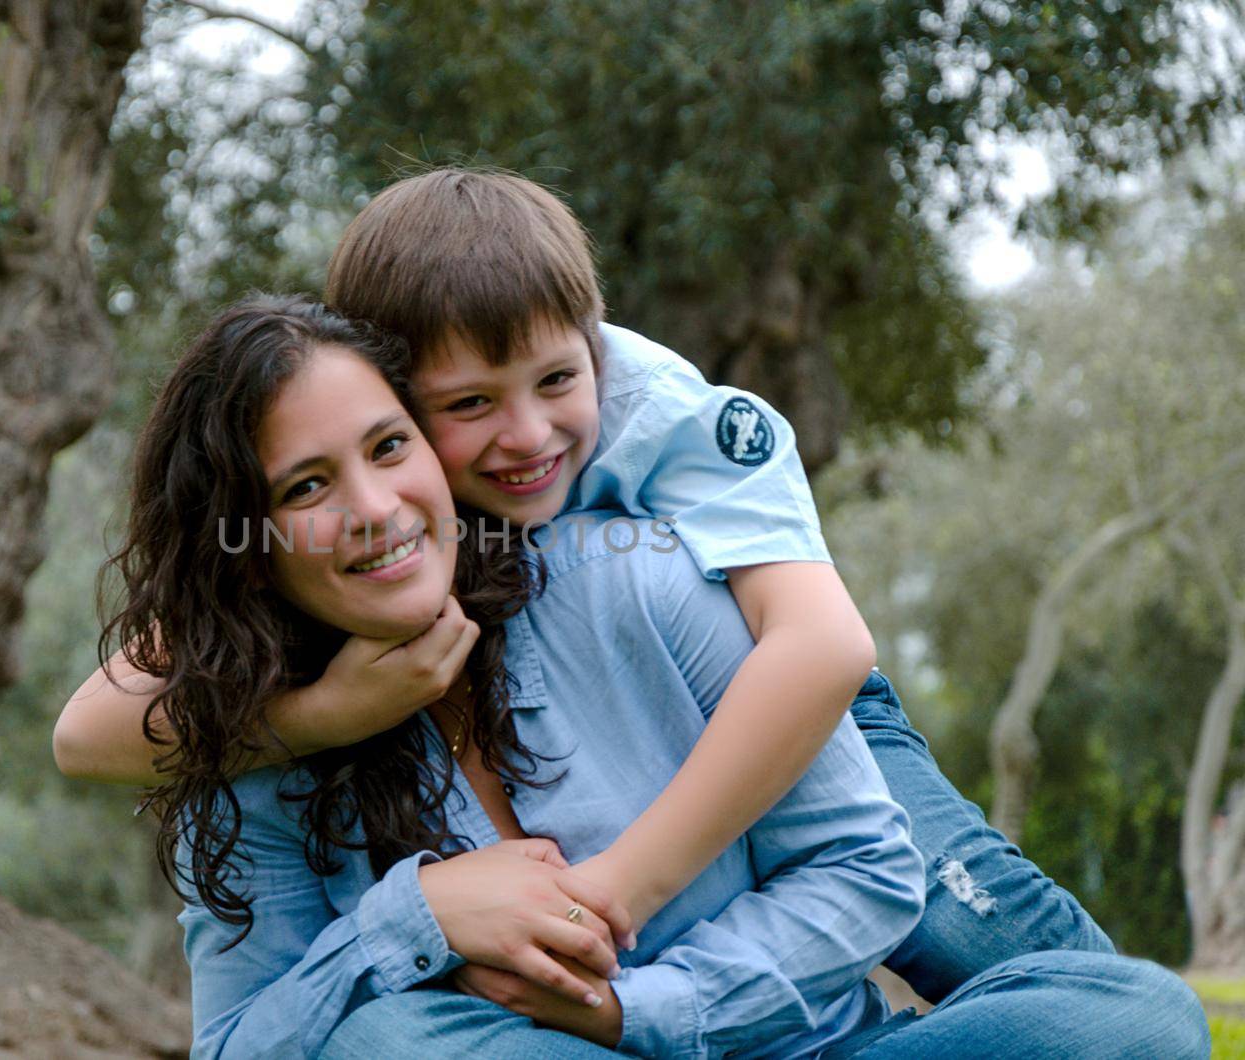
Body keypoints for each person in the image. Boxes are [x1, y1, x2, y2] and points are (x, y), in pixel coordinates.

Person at [56, 168, 1138, 1007]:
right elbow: (89, 735)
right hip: (591, 723)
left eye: (557, 380)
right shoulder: (363, 462)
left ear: (591, 341)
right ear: (385, 386)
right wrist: (325, 713)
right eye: (467, 403)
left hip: (784, 692)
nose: (527, 435)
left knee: (976, 929)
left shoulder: (667, 414)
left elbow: (821, 650)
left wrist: (621, 887)